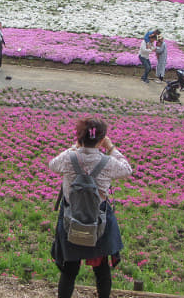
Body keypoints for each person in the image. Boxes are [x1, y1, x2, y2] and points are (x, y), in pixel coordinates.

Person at [49, 117, 132, 298]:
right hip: (98, 222)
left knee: (69, 270)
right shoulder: (107, 162)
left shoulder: (68, 158)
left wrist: (74, 148)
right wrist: (110, 148)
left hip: (71, 219)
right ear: (101, 139)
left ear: (79, 137)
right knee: (102, 270)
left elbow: (52, 165)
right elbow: (127, 169)